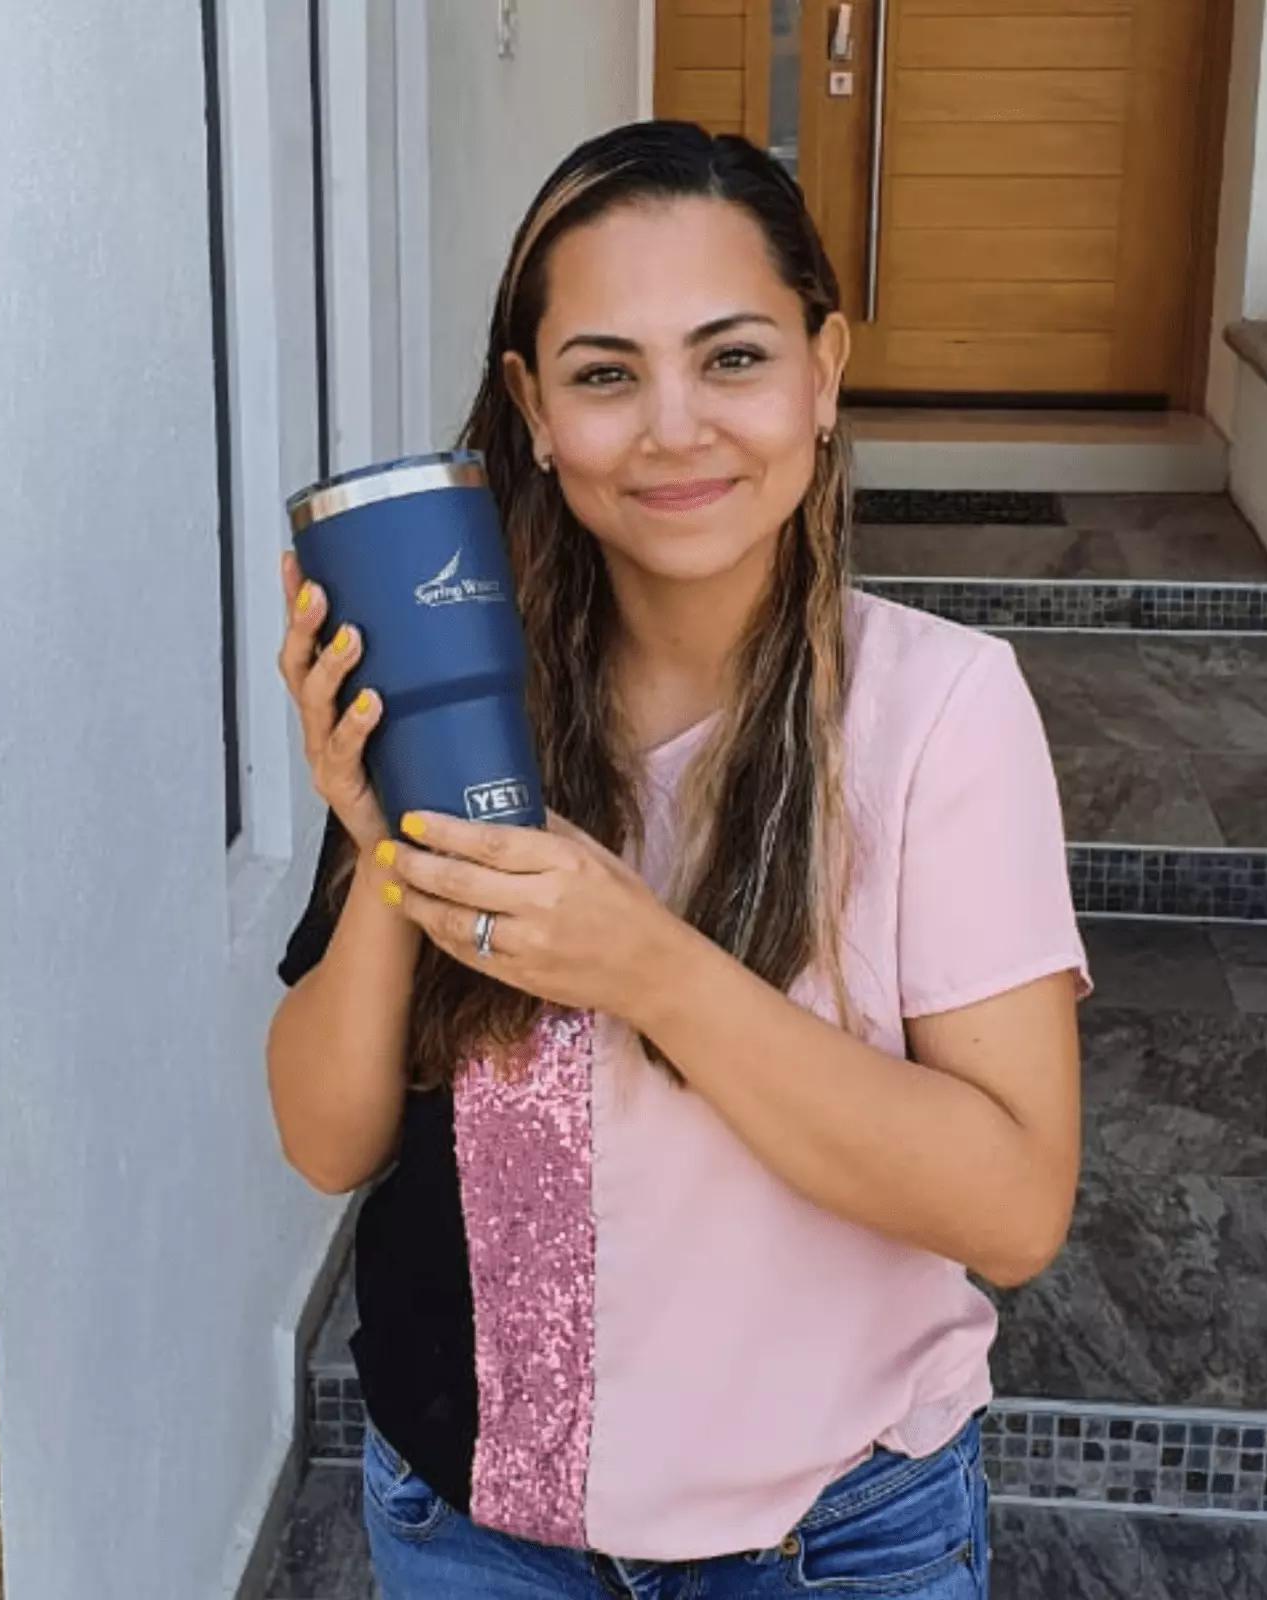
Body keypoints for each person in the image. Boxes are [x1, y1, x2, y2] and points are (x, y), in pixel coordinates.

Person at [267, 120, 1086, 1600]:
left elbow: (1015, 1207)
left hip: (831, 1542)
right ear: (531, 408)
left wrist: (647, 966)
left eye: (733, 358)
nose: (673, 427)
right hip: (473, 1534)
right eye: (604, 374)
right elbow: (328, 1142)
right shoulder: (456, 688)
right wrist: (388, 844)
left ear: (824, 373)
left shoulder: (939, 711)